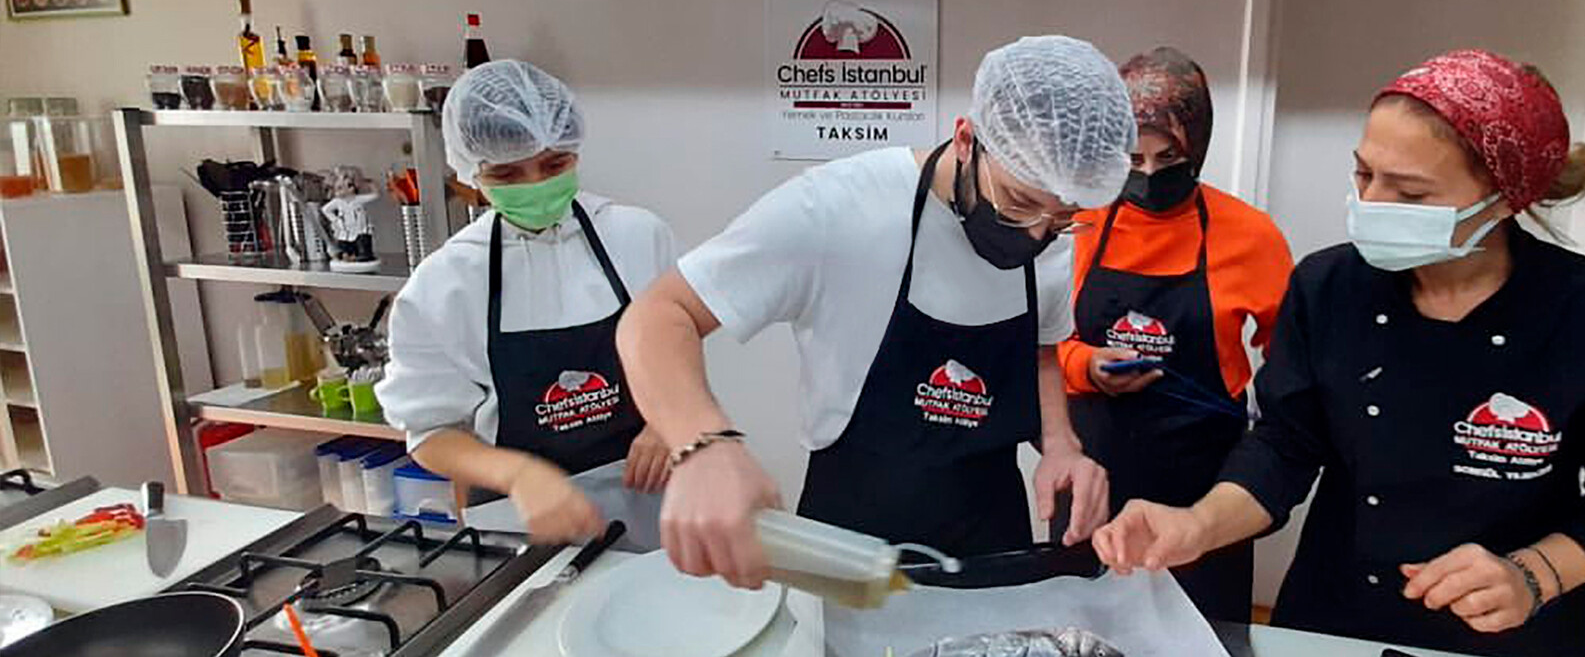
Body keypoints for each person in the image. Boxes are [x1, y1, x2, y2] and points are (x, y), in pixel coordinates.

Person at [1092, 49, 1585, 656]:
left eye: (1412, 194)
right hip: (1333, 618)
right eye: (1364, 175)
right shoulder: (1329, 288)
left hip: (1508, 633)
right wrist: (1198, 525)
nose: (1372, 205)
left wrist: (1535, 574)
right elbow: (1285, 446)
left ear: (1505, 197)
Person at [618, 36, 1136, 588]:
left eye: (1063, 217)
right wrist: (703, 445)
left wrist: (1061, 444)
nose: (1036, 234)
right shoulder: (839, 206)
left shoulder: (1050, 234)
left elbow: (1041, 350)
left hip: (992, 535)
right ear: (967, 139)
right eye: (1019, 203)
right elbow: (660, 314)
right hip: (851, 538)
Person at [378, 60, 677, 544]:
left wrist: (667, 422)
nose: (535, 184)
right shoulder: (445, 282)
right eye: (507, 173)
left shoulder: (638, 237)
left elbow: (677, 347)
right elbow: (430, 433)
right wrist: (520, 475)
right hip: (521, 517)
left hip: (646, 495)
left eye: (554, 165)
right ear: (472, 174)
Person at [1055, 47, 1292, 622]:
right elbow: (1039, 342)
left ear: (1198, 147)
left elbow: (1292, 365)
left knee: (1203, 630)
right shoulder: (1076, 224)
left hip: (1206, 485)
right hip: (1096, 472)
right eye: (1132, 157)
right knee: (1085, 625)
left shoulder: (1251, 236)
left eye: (1169, 157)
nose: (1149, 172)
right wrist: (1086, 365)